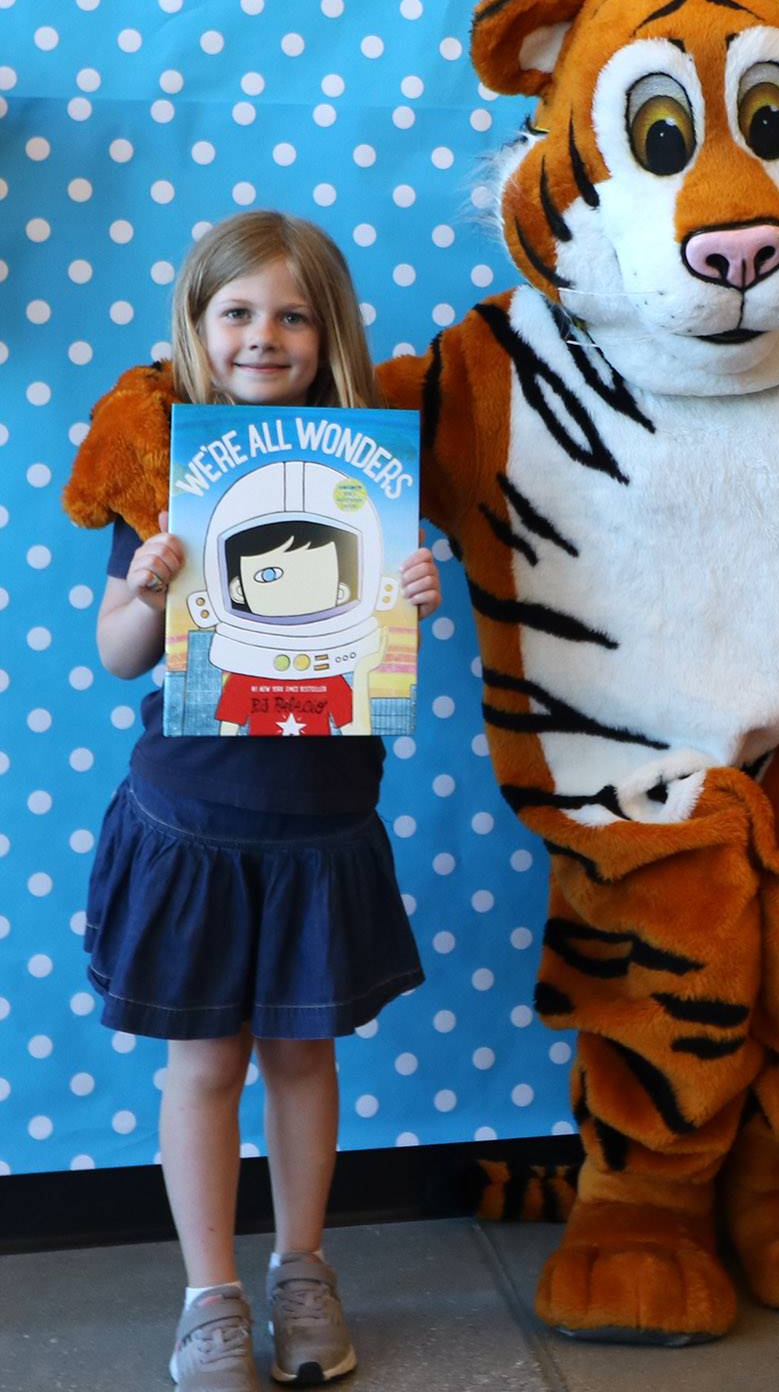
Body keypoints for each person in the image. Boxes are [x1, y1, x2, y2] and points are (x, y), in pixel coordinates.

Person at [79, 211, 441, 1390]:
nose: (262, 335)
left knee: (301, 1061)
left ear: (327, 331)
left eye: (291, 314)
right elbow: (123, 655)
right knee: (203, 1068)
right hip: (191, 825)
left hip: (324, 827)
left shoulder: (366, 471)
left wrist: (415, 597)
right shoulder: (167, 469)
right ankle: (210, 1296)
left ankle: (300, 1268)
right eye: (236, 312)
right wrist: (145, 585)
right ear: (196, 324)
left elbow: (374, 645)